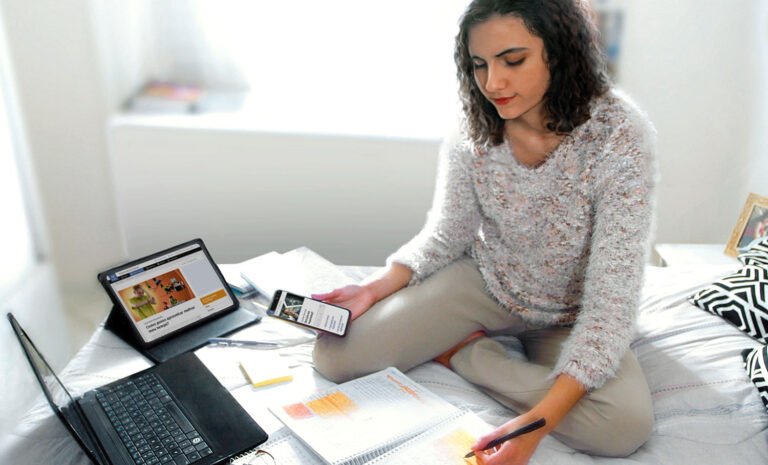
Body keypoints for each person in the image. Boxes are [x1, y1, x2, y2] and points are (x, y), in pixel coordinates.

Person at [312, 0, 657, 463]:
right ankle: (475, 349)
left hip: (571, 313)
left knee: (622, 427)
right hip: (486, 283)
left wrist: (533, 427)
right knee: (335, 358)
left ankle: (467, 355)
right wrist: (373, 288)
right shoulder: (475, 125)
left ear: (560, 52)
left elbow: (612, 299)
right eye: (480, 65)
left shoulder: (620, 135)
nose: (492, 83)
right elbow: (447, 233)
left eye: (512, 61)